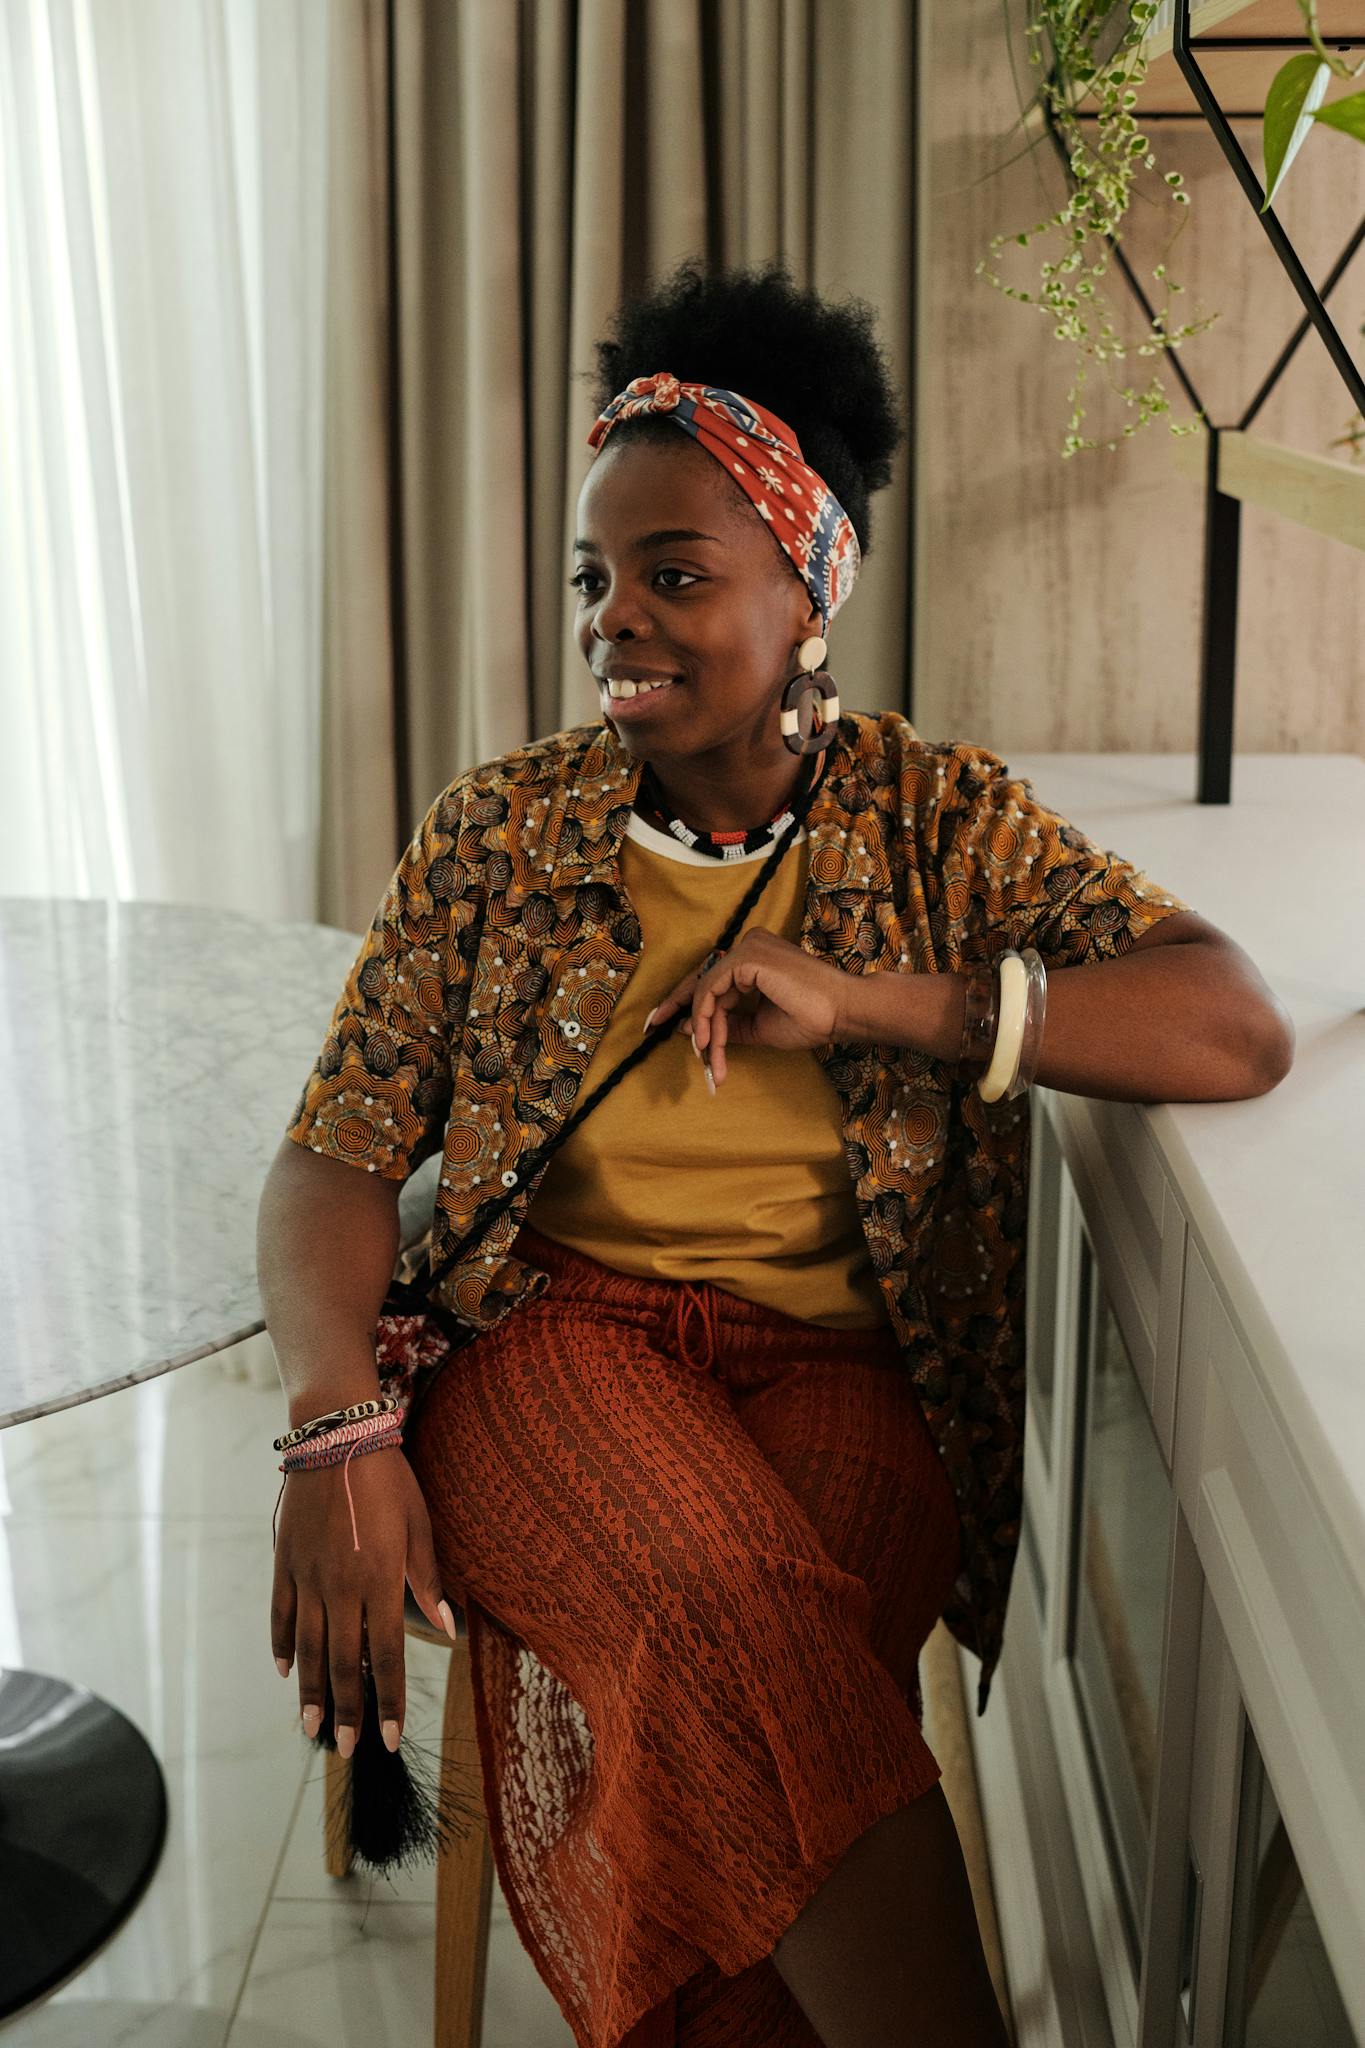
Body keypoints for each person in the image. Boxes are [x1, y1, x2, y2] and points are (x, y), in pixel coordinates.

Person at [258, 261, 1293, 2048]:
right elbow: (333, 1157)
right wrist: (338, 1429)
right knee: (734, 1619)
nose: (614, 623)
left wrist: (883, 1001)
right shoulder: (498, 833)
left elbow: (1227, 1020)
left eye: (675, 575)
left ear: (808, 590)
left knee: (734, 1717)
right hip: (559, 1346)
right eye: (597, 578)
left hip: (848, 1369)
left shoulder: (935, 816)